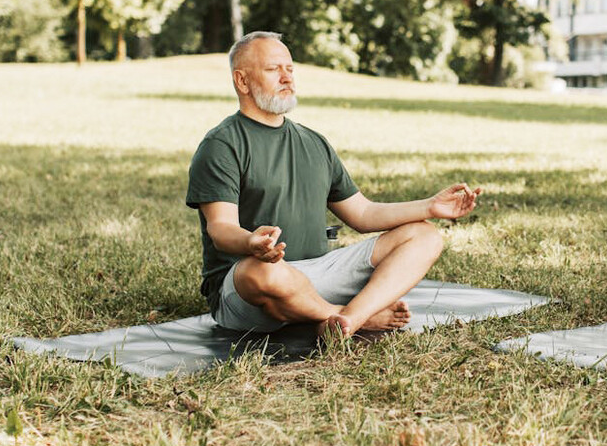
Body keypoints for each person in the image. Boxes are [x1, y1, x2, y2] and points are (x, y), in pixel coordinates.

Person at [186, 31, 481, 339]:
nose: (287, 78)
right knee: (261, 272)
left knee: (425, 236)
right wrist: (251, 242)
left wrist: (429, 206)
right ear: (242, 81)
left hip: (317, 274)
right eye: (273, 69)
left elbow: (363, 214)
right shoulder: (222, 144)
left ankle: (347, 318)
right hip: (249, 286)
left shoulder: (314, 143)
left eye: (290, 69)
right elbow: (220, 229)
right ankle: (353, 316)